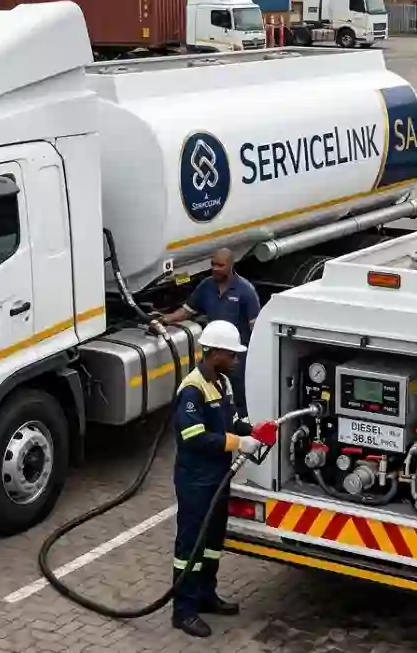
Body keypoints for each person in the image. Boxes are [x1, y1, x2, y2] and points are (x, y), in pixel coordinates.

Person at [161, 320, 270, 638]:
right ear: (215, 353)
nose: (235, 360)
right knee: (190, 545)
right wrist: (238, 443)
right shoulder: (193, 389)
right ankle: (183, 611)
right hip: (196, 480)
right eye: (231, 355)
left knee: (211, 543)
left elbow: (233, 418)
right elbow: (193, 436)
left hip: (218, 477)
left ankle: (206, 596)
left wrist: (253, 432)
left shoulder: (223, 383)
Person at [158, 248, 261, 421]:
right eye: (213, 264)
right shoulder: (206, 286)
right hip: (212, 355)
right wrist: (165, 319)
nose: (215, 268)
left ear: (230, 266)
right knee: (210, 391)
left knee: (237, 397)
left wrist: (257, 360)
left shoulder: (245, 291)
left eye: (220, 265)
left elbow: (255, 328)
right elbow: (188, 310)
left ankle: (241, 425)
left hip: (234, 359)